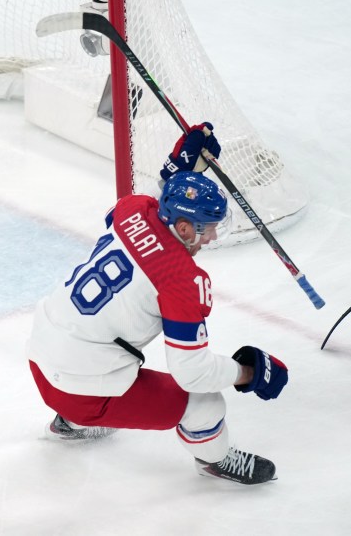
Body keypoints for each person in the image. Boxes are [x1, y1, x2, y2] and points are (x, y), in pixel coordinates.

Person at [26, 124, 289, 485]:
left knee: (97, 348)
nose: (212, 236)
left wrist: (176, 170)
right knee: (205, 404)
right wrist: (248, 372)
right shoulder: (180, 281)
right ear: (184, 229)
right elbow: (192, 373)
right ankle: (215, 461)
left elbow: (146, 206)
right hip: (79, 391)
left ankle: (68, 422)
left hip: (40, 353)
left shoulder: (131, 210)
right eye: (208, 227)